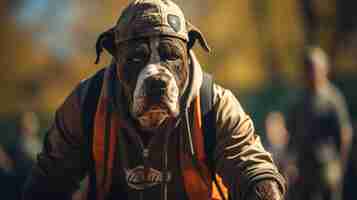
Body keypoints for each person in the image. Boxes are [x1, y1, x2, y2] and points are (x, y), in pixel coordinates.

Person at [23, 1, 286, 200]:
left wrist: (264, 191)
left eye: (171, 56)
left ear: (188, 52)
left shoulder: (215, 105)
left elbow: (253, 169)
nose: (156, 75)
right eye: (137, 58)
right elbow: (49, 179)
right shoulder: (86, 105)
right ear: (113, 54)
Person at [286, 47, 353, 200]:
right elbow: (291, 133)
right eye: (308, 69)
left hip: (327, 169)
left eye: (315, 68)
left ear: (325, 69)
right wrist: (290, 162)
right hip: (304, 170)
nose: (312, 73)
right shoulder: (299, 100)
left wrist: (339, 167)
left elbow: (344, 135)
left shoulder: (333, 99)